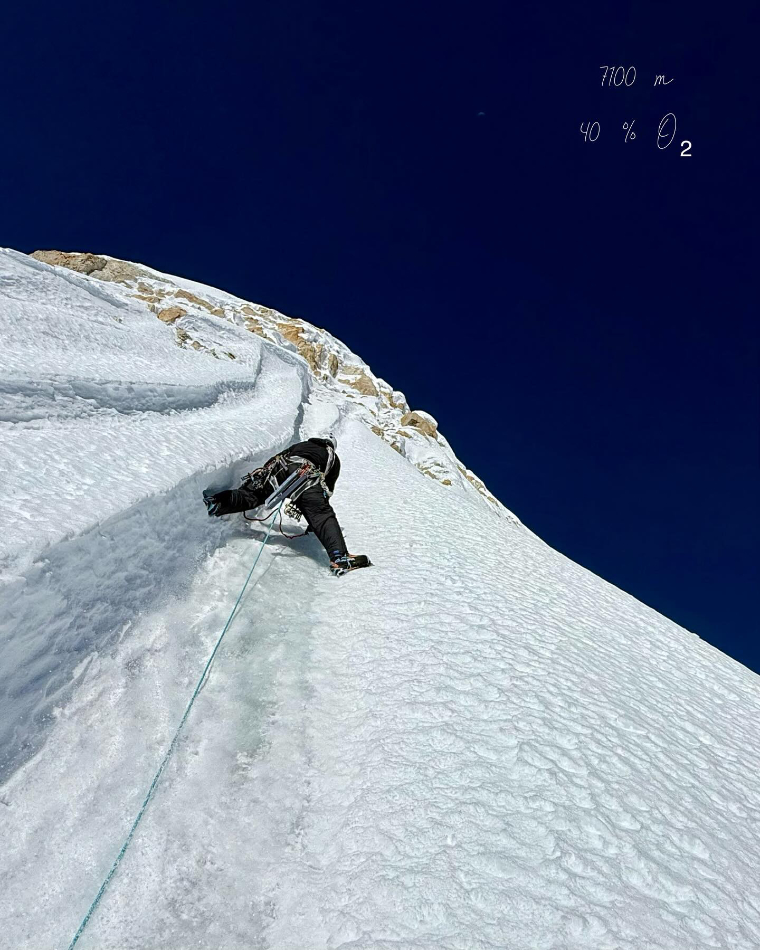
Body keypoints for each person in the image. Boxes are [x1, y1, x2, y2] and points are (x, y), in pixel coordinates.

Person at [203, 434, 371, 576]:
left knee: (254, 495)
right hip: (306, 477)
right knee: (322, 514)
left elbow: (276, 458)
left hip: (279, 469)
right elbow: (327, 491)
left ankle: (217, 503)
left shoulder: (301, 445)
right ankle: (340, 558)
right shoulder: (331, 456)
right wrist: (315, 521)